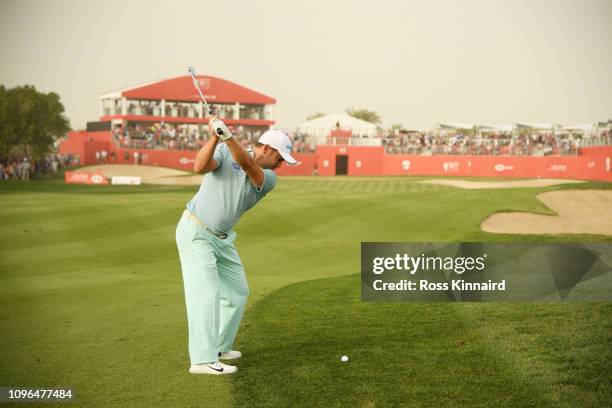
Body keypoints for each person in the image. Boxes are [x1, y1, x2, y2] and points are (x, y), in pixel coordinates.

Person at [175, 116, 296, 375]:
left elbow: (247, 164)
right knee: (205, 294)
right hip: (196, 231)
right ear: (267, 148)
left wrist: (228, 136)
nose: (282, 163)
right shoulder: (222, 148)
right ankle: (202, 359)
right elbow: (199, 166)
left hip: (222, 238)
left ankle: (219, 347)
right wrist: (215, 137)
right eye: (280, 157)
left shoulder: (269, 178)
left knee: (237, 291)